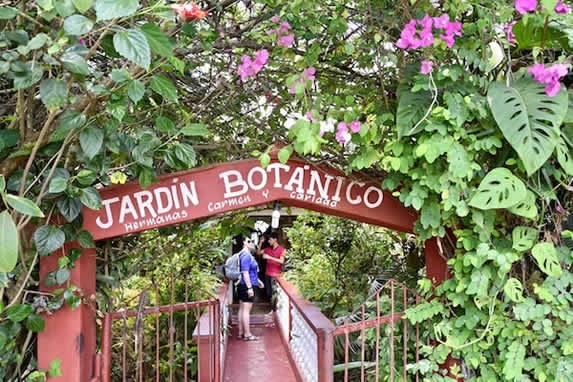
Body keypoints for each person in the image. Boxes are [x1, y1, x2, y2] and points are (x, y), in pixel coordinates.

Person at [237, 236, 264, 341]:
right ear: (244, 242)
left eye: (252, 241)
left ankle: (241, 332)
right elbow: (245, 272)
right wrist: (249, 288)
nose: (251, 243)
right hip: (246, 285)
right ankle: (247, 334)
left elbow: (251, 272)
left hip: (244, 284)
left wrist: (258, 281)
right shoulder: (246, 255)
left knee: (242, 308)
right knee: (246, 310)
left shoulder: (245, 254)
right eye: (249, 241)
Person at [257, 232, 285, 319]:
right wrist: (261, 242)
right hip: (267, 274)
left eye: (270, 239)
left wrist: (269, 258)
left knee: (274, 294)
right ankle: (272, 310)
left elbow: (281, 261)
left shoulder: (282, 249)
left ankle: (274, 311)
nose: (268, 241)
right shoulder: (267, 249)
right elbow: (258, 253)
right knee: (269, 293)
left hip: (276, 275)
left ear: (275, 239)